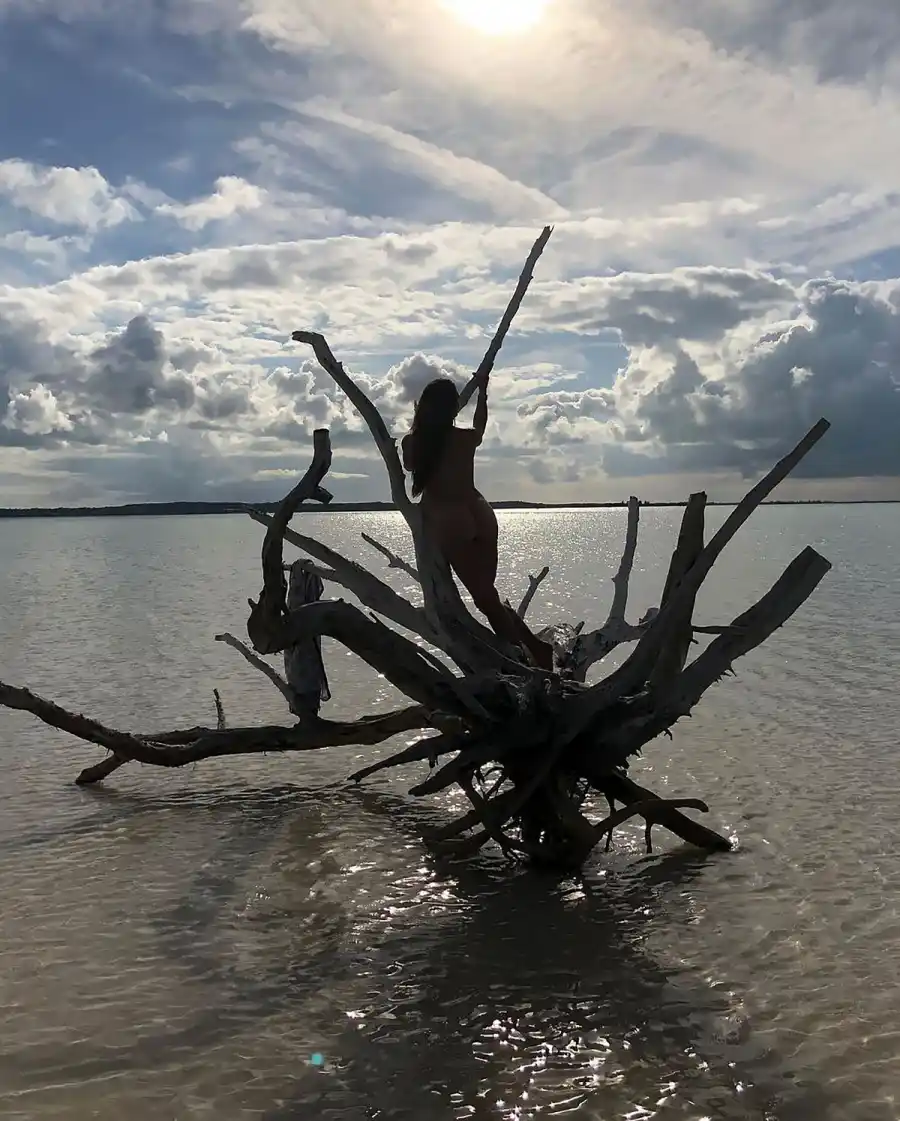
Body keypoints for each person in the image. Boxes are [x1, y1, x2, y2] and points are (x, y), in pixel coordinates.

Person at [400, 374, 554, 671]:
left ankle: (521, 664)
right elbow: (480, 427)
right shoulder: (464, 438)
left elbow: (408, 466)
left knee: (486, 599)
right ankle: (536, 650)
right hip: (479, 512)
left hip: (451, 521)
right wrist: (482, 393)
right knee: (488, 597)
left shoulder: (414, 442)